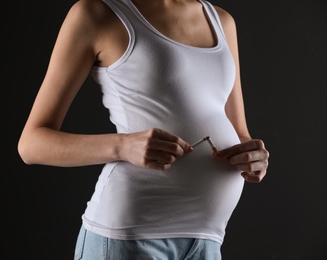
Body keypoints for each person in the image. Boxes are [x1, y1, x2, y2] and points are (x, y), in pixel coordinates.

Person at [18, 0, 270, 259]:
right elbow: (31, 144)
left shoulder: (221, 20)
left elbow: (240, 132)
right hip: (129, 238)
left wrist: (254, 157)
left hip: (207, 240)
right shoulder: (97, 13)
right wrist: (123, 145)